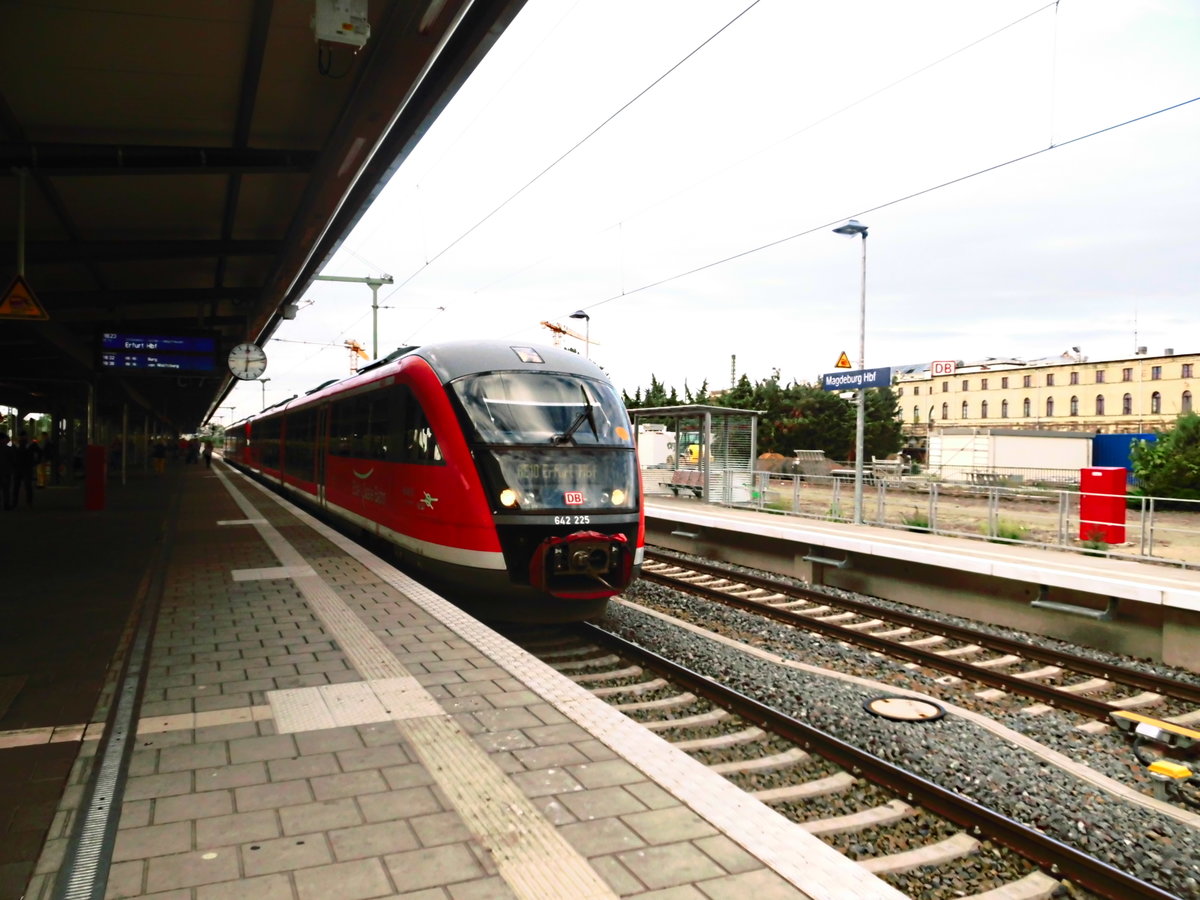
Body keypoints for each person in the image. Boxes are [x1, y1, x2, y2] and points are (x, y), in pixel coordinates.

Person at [11, 432, 42, 508]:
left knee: (17, 486)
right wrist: (36, 461)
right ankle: (28, 502)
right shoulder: (31, 444)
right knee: (27, 486)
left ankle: (15, 503)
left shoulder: (14, 443)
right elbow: (40, 452)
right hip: (26, 467)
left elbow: (6, 450)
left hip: (18, 467)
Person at [0, 431, 13, 511]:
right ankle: (6, 505)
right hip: (5, 472)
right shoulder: (7, 449)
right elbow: (12, 459)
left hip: (4, 471)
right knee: (6, 490)